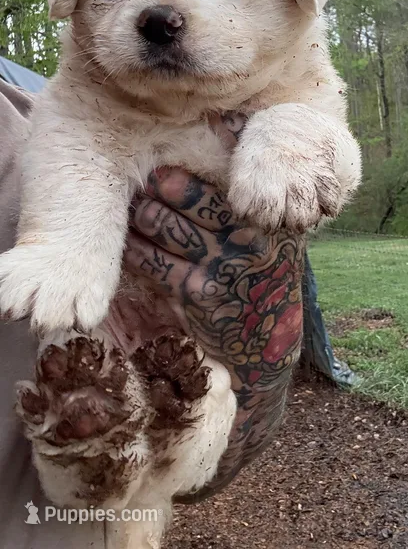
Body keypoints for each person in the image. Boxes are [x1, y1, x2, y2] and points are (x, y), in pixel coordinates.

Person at [0, 78, 353, 547]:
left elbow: (223, 459)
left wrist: (257, 327)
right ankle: (94, 449)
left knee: (197, 401)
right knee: (81, 361)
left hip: (179, 365)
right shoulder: (66, 113)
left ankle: (151, 426)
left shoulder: (29, 113)